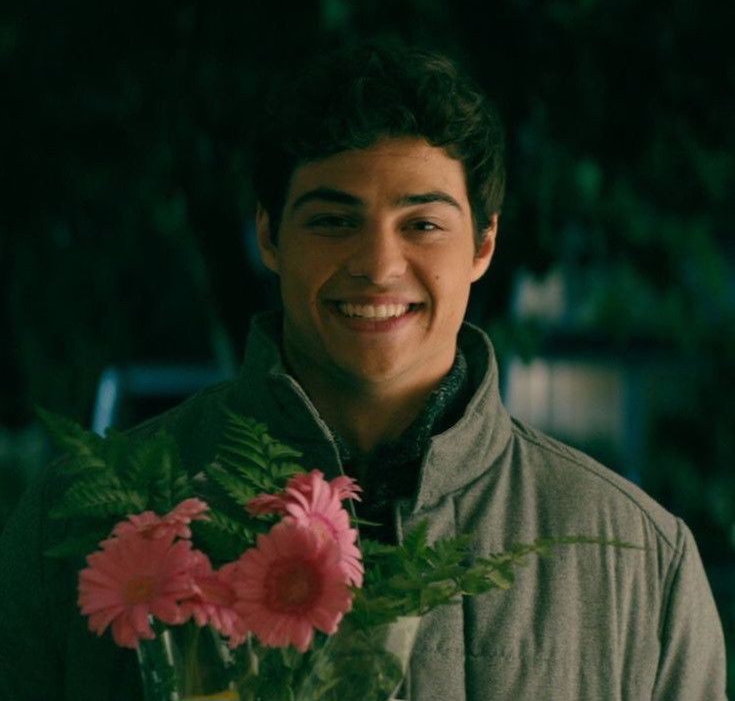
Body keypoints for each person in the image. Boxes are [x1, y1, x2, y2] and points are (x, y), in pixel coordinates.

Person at [0, 41, 727, 700]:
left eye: (422, 224)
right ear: (268, 235)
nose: (378, 266)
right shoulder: (78, 527)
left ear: (483, 243)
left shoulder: (635, 560)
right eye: (332, 220)